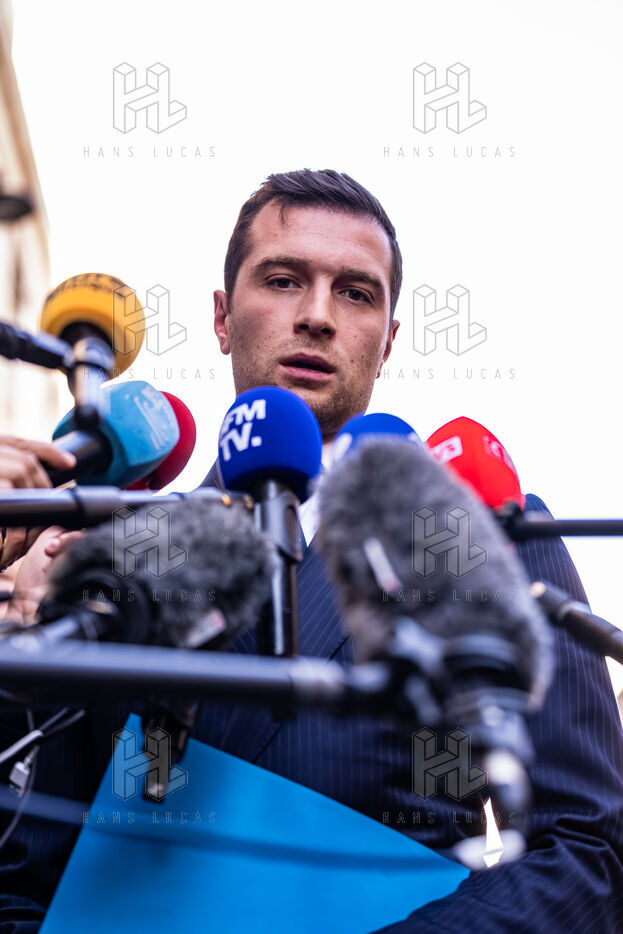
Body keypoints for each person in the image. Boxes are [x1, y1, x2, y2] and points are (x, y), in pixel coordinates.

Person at [0, 169, 622, 932]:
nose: (317, 316)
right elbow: (26, 872)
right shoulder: (111, 549)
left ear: (387, 341)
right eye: (283, 280)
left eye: (355, 293)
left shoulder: (491, 538)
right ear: (222, 318)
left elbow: (585, 850)